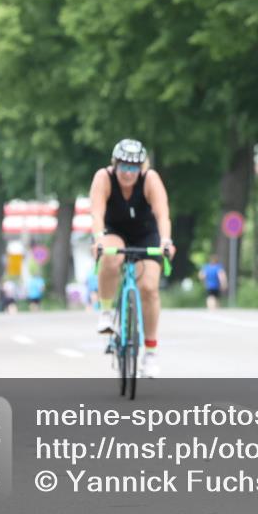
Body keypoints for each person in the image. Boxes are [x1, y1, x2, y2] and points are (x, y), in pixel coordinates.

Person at [89, 139, 174, 378]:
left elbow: (163, 214)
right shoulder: (103, 178)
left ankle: (150, 353)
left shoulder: (151, 179)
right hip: (114, 231)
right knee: (110, 256)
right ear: (115, 164)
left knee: (149, 289)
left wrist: (166, 241)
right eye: (124, 166)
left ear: (142, 167)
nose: (128, 173)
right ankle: (106, 312)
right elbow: (96, 212)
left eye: (134, 167)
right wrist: (98, 239)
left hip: (146, 233)